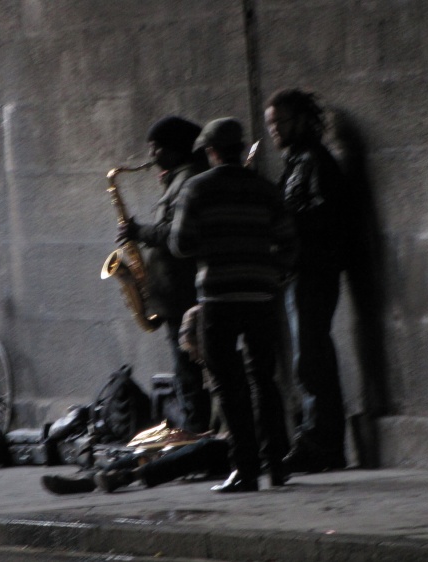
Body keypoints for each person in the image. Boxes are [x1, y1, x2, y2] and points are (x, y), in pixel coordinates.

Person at [169, 118, 296, 493]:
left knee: (228, 385)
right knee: (264, 381)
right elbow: (289, 239)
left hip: (218, 297)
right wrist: (274, 273)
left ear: (210, 152)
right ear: (240, 149)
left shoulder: (196, 188)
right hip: (261, 295)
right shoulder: (265, 189)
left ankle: (245, 470)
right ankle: (276, 465)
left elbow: (179, 244)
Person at [265, 88, 349, 473]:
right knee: (309, 357)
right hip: (300, 271)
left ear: (301, 120)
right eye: (271, 124)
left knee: (310, 359)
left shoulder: (315, 161)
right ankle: (319, 441)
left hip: (313, 270)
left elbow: (323, 216)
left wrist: (282, 223)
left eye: (280, 121)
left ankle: (321, 443)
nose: (274, 130)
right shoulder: (297, 162)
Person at [117, 116, 211, 433]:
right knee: (186, 369)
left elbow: (175, 235)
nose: (151, 154)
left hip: (182, 291)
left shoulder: (188, 180)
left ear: (176, 148)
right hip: (176, 290)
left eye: (156, 147)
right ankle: (196, 431)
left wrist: (137, 231)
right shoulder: (179, 178)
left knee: (187, 371)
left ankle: (196, 435)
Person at [40, 436, 230, 495]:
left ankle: (130, 476)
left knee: (206, 448)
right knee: (159, 446)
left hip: (239, 451)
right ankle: (89, 481)